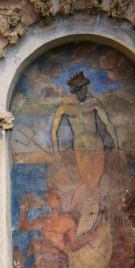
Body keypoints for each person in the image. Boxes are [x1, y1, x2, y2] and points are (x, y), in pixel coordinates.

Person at [50, 70, 119, 208]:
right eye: (84, 89)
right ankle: (72, 208)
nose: (86, 91)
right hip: (80, 149)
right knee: (87, 182)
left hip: (97, 145)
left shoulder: (93, 102)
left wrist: (116, 146)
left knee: (96, 182)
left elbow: (108, 124)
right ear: (76, 90)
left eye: (87, 88)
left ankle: (95, 210)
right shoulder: (64, 106)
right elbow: (53, 131)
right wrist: (56, 153)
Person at [18, 190, 98, 268]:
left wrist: (88, 239)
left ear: (59, 201)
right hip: (43, 261)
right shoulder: (42, 219)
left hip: (59, 261)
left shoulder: (68, 222)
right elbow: (22, 228)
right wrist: (24, 210)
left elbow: (73, 246)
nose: (47, 199)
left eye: (50, 197)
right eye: (46, 197)